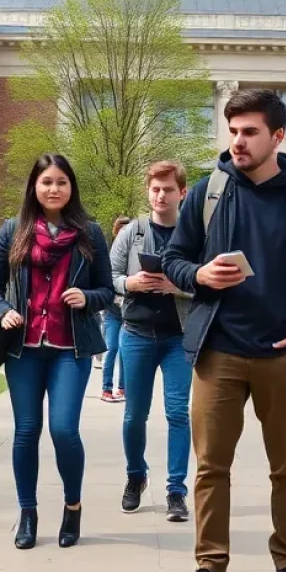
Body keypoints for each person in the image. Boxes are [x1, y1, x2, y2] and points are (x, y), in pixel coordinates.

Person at [162, 88, 286, 572]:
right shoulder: (207, 193)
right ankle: (210, 569)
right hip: (217, 351)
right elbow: (173, 259)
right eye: (233, 130)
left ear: (277, 136)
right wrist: (198, 274)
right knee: (209, 468)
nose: (238, 142)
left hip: (282, 356)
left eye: (249, 132)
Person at [0, 153, 113, 551]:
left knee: (63, 430)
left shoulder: (90, 232)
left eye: (61, 182)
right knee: (26, 432)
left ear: (71, 187)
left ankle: (72, 506)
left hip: (70, 348)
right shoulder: (12, 230)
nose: (53, 189)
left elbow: (107, 290)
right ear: (34, 187)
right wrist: (1, 310)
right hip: (24, 348)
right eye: (46, 182)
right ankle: (28, 512)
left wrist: (86, 297)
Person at [110, 161, 192, 522]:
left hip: (179, 338)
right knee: (134, 416)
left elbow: (207, 282)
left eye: (168, 189)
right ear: (148, 191)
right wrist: (131, 284)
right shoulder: (131, 232)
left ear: (182, 193)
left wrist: (179, 287)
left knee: (177, 413)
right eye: (155, 189)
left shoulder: (194, 235)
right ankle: (135, 476)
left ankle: (176, 490)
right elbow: (108, 275)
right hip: (136, 334)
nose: (161, 195)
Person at [100, 216, 131, 403]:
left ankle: (123, 388)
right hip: (112, 311)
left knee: (125, 350)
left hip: (129, 312)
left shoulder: (135, 254)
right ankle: (106, 389)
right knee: (112, 348)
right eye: (121, 231)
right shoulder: (110, 255)